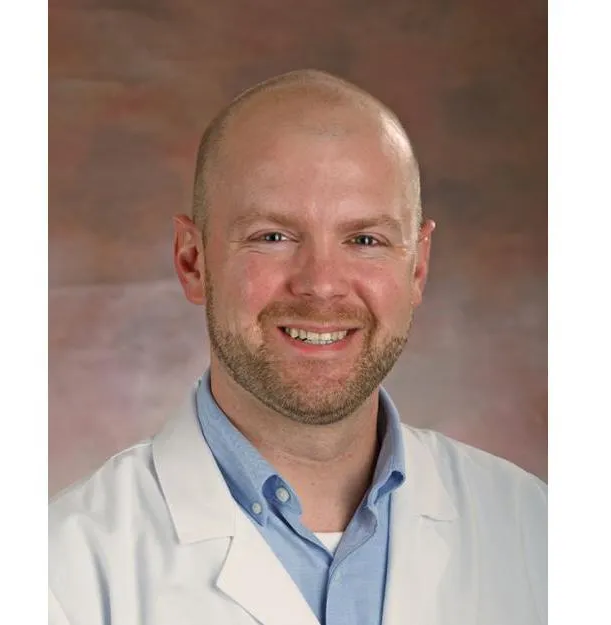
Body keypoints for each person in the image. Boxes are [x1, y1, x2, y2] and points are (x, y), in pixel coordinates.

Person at [49, 70, 547, 625]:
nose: (321, 284)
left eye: (365, 240)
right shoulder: (60, 572)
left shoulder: (537, 533)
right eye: (273, 237)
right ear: (193, 261)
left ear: (417, 267)